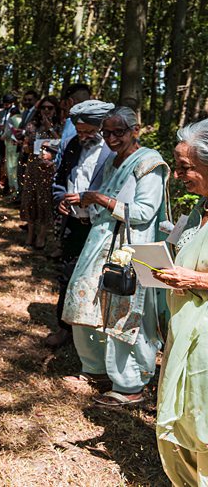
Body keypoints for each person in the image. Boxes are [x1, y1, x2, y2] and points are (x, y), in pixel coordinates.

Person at [62, 107, 169, 406]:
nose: (110, 138)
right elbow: (106, 202)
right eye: (106, 132)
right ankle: (95, 369)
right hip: (101, 241)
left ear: (136, 130)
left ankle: (130, 384)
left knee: (124, 314)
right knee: (85, 299)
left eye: (118, 132)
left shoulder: (149, 162)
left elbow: (144, 212)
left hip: (130, 248)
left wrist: (97, 197)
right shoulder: (114, 160)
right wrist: (82, 203)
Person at [153, 119, 208, 484]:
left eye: (185, 167)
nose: (177, 175)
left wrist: (197, 279)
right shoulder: (200, 207)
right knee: (187, 419)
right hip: (184, 329)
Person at [47, 100, 114, 347]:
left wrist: (91, 199)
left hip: (101, 226)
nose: (83, 136)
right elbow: (60, 178)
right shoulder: (71, 144)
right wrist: (59, 200)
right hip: (73, 224)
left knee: (97, 278)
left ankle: (94, 336)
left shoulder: (114, 150)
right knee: (67, 275)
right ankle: (64, 328)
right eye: (79, 130)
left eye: (89, 131)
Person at [19, 96, 61, 249]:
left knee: (44, 201)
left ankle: (42, 236)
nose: (47, 110)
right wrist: (26, 146)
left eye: (50, 108)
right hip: (32, 167)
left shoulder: (60, 126)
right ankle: (30, 234)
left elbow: (62, 145)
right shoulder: (32, 126)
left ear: (55, 109)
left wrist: (49, 128)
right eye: (44, 107)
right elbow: (26, 145)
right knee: (30, 199)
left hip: (49, 169)